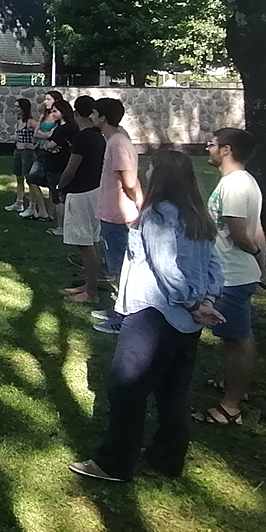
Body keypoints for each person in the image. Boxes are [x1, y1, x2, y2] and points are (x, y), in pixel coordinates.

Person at [69, 150, 225, 483]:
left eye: (151, 169)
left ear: (162, 177)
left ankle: (115, 462)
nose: (146, 173)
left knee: (125, 387)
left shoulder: (158, 215)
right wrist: (205, 301)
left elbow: (165, 268)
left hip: (153, 314)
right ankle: (167, 457)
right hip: (188, 321)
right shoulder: (197, 215)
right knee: (173, 390)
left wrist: (191, 303)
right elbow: (214, 267)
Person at [195, 127, 266, 427]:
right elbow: (258, 229)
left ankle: (231, 407)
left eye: (211, 144)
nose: (207, 149)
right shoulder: (241, 182)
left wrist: (252, 255)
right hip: (236, 272)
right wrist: (262, 264)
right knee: (233, 339)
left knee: (238, 340)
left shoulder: (235, 185)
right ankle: (231, 386)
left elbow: (241, 233)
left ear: (226, 150)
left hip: (232, 276)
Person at [55, 95, 109, 306]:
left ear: (77, 114)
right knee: (90, 241)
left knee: (84, 243)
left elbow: (71, 167)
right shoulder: (98, 136)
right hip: (94, 190)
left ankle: (91, 291)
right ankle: (88, 285)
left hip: (80, 193)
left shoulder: (83, 137)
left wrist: (61, 185)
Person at [95, 97, 143, 284]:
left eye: (94, 113)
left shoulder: (117, 143)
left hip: (118, 214)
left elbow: (129, 181)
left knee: (121, 266)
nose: (91, 117)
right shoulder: (115, 140)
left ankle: (123, 310)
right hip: (113, 212)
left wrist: (138, 202)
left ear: (102, 118)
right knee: (119, 263)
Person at [24, 91, 63, 221]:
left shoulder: (59, 117)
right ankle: (42, 210)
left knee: (52, 184)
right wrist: (46, 135)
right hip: (41, 151)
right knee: (31, 178)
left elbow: (56, 134)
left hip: (53, 152)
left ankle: (50, 215)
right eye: (45, 99)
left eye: (48, 99)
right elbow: (36, 133)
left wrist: (46, 135)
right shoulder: (44, 116)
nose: (45, 102)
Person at [44, 96, 79, 234]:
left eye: (54, 111)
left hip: (57, 165)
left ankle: (61, 227)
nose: (52, 114)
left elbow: (50, 144)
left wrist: (48, 145)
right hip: (66, 163)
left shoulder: (63, 129)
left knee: (58, 197)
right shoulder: (74, 128)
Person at [6, 98, 39, 212]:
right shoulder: (19, 121)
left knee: (29, 178)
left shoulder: (30, 122)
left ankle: (32, 205)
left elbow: (40, 133)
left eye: (17, 107)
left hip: (27, 153)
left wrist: (34, 146)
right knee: (19, 177)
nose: (15, 109)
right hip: (18, 151)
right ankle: (19, 202)